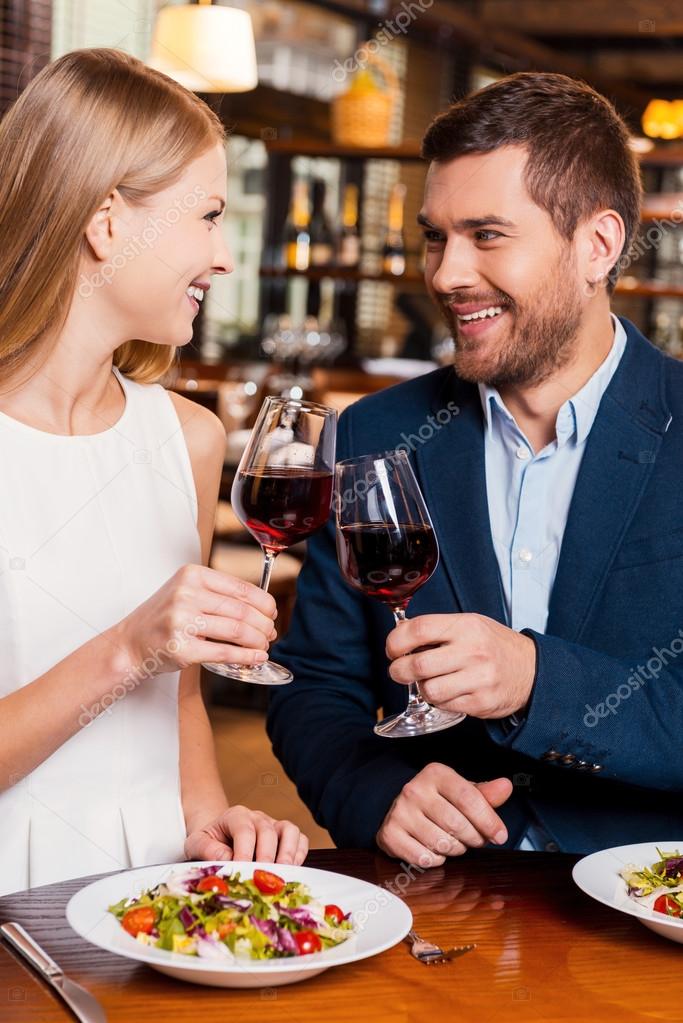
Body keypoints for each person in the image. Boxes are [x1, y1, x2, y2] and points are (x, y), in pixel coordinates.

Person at [268, 71, 683, 865]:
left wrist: (535, 677)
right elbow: (315, 683)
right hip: (431, 909)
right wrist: (373, 790)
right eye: (435, 235)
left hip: (647, 920)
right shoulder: (376, 432)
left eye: (486, 235)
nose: (446, 273)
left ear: (596, 244)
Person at [0, 48, 307, 898]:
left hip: (152, 899)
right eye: (207, 215)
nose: (225, 257)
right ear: (107, 221)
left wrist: (210, 823)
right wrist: (129, 646)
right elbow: (141, 658)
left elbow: (179, 708)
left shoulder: (190, 437)